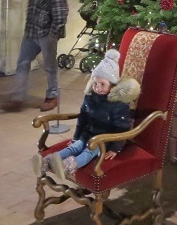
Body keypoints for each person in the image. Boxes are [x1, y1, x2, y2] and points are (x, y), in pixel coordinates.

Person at [31, 48, 139, 180]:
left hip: (104, 141)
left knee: (89, 152)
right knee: (74, 147)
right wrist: (76, 137)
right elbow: (82, 118)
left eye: (102, 84)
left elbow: (122, 127)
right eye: (95, 83)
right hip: (87, 135)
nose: (98, 88)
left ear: (112, 85)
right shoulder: (90, 97)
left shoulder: (119, 104)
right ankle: (47, 162)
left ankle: (67, 166)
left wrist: (115, 148)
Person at [1, 0, 68, 112]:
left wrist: (53, 34)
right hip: (31, 32)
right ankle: (18, 97)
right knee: (22, 63)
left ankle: (52, 96)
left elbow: (61, 11)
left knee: (50, 66)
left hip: (46, 33)